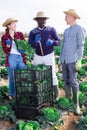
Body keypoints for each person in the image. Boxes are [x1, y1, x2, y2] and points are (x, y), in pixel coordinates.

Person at [28, 11, 60, 100]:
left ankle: (56, 94)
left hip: (49, 55)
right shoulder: (33, 32)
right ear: (37, 20)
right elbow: (30, 44)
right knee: (36, 75)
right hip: (38, 55)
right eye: (41, 19)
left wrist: (52, 42)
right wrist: (35, 41)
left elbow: (58, 41)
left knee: (52, 74)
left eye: (45, 19)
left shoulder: (51, 29)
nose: (44, 20)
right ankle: (39, 93)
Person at [60, 9, 85, 114]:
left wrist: (79, 60)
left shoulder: (79, 29)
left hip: (72, 61)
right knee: (66, 80)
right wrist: (60, 59)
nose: (65, 18)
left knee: (74, 82)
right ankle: (68, 101)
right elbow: (63, 46)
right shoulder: (66, 31)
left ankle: (76, 105)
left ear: (72, 17)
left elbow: (80, 46)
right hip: (64, 60)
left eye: (66, 16)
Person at [1, 18, 26, 98]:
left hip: (20, 57)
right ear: (8, 26)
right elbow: (5, 50)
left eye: (15, 23)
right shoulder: (4, 37)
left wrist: (22, 48)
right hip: (11, 57)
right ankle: (13, 95)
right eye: (13, 23)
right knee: (12, 78)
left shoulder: (19, 34)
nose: (15, 25)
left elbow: (25, 46)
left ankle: (23, 94)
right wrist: (8, 45)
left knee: (23, 76)